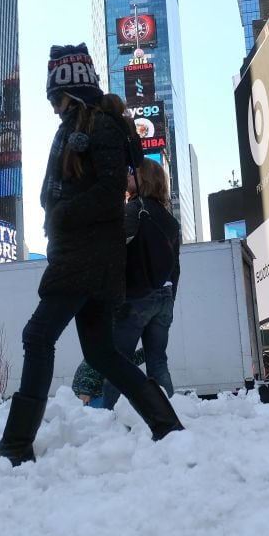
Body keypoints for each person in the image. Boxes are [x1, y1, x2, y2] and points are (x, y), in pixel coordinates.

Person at [0, 44, 184, 474]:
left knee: (37, 335)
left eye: (56, 99)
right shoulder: (88, 126)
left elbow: (106, 197)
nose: (53, 108)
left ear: (74, 92)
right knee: (104, 354)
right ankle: (167, 425)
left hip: (86, 260)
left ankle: (16, 444)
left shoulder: (100, 127)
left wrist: (61, 211)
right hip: (91, 260)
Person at [103, 159, 181, 409]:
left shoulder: (134, 209)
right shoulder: (170, 220)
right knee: (158, 363)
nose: (127, 176)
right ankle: (170, 412)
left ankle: (105, 418)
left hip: (136, 297)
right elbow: (175, 267)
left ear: (142, 179)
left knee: (117, 361)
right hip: (164, 298)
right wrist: (169, 299)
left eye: (132, 173)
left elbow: (114, 251)